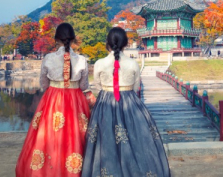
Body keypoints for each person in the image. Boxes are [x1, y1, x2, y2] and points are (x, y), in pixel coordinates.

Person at [81, 27, 170, 177]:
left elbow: (98, 86)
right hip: (131, 104)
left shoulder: (99, 63)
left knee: (105, 141)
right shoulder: (133, 63)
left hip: (105, 103)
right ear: (125, 43)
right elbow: (135, 87)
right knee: (137, 140)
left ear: (107, 43)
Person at [15, 23, 91, 176]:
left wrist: (55, 87)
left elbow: (43, 83)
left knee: (48, 135)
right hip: (75, 99)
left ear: (56, 39)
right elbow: (84, 85)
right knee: (76, 134)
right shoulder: (82, 59)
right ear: (73, 38)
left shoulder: (49, 58)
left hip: (53, 99)